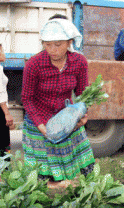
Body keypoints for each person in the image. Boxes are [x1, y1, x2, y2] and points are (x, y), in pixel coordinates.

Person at [21, 18, 95, 189]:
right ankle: (49, 187)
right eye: (47, 44)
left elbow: (82, 93)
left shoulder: (79, 62)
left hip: (65, 118)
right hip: (38, 118)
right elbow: (27, 98)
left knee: (84, 166)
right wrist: (40, 125)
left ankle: (77, 188)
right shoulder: (34, 64)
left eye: (58, 44)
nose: (52, 50)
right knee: (41, 173)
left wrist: (83, 115)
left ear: (69, 42)